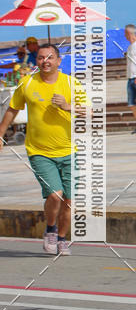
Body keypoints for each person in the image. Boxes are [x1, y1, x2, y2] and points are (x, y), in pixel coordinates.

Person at [0, 43, 79, 255]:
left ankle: (62, 238)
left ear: (58, 61)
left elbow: (91, 111)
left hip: (70, 150)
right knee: (55, 195)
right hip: (39, 151)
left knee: (69, 200)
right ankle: (51, 229)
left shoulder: (71, 84)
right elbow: (12, 109)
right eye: (42, 57)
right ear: (37, 60)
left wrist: (67, 106)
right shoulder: (27, 83)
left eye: (50, 57)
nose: (45, 61)